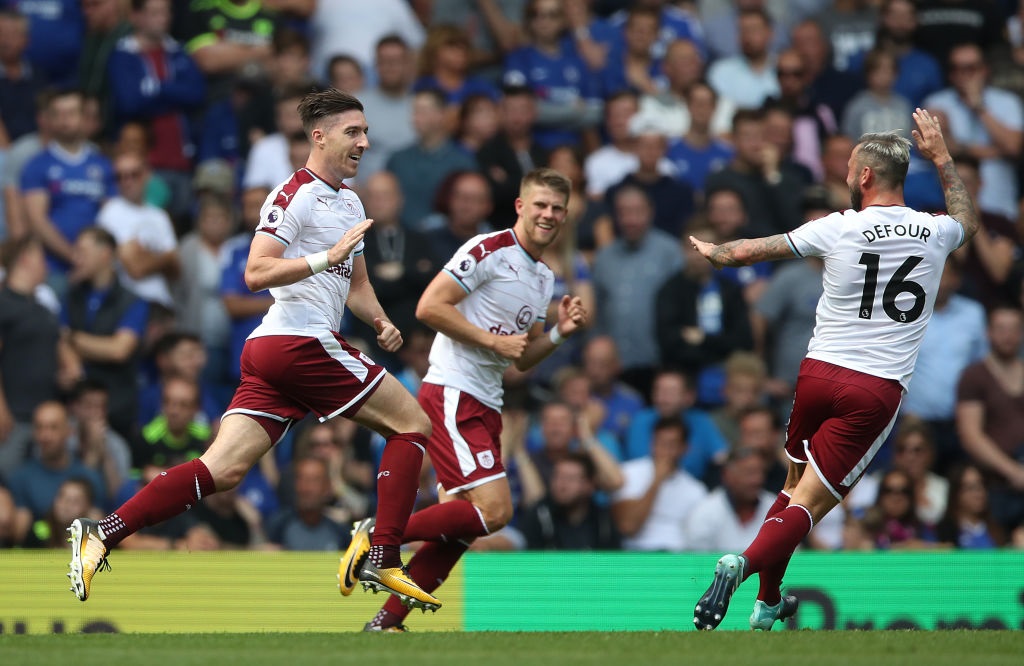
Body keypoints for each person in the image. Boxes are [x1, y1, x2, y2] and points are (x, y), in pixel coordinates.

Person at [66, 88, 441, 611]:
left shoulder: (350, 201)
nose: (364, 141)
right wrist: (319, 259)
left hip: (275, 351)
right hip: (299, 341)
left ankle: (103, 531)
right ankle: (383, 553)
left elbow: (354, 282)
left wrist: (379, 320)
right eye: (353, 132)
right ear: (320, 136)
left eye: (365, 131)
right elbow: (255, 271)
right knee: (414, 424)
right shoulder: (293, 194)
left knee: (222, 471)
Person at [687, 108, 979, 631]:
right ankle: (741, 565)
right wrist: (943, 158)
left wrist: (714, 252)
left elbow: (747, 252)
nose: (845, 175)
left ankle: (768, 600)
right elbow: (968, 220)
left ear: (865, 177)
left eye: (849, 167)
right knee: (811, 507)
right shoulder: (936, 232)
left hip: (817, 375)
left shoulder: (838, 226)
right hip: (875, 388)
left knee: (794, 484)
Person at [346, 167, 588, 632]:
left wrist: (560, 332)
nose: (548, 214)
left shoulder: (542, 276)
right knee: (496, 512)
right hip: (453, 390)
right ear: (520, 206)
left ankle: (386, 623)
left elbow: (521, 357)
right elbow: (429, 307)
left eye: (557, 208)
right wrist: (492, 342)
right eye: (540, 204)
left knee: (459, 532)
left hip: (486, 400)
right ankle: (378, 536)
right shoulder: (488, 250)